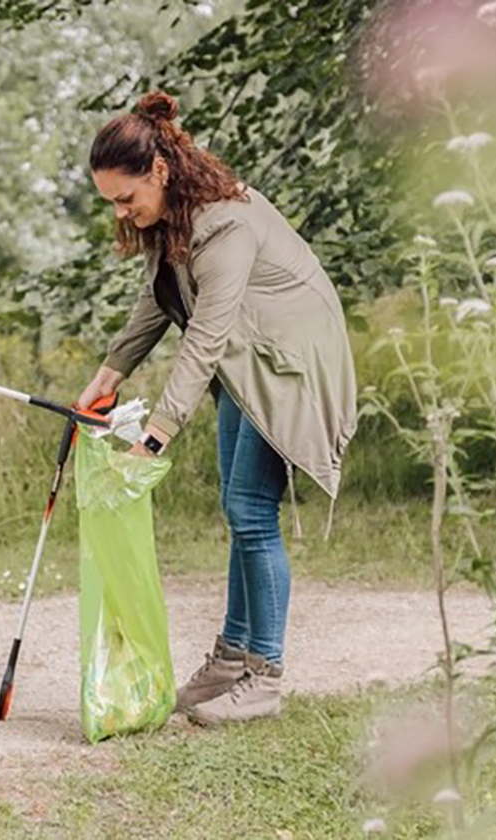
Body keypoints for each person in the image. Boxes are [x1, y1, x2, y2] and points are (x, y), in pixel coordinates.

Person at [75, 91, 357, 725]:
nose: (122, 211)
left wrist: (158, 432)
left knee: (251, 510)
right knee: (239, 506)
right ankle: (232, 659)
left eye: (127, 198)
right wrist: (108, 375)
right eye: (111, 201)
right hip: (245, 357)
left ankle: (266, 675)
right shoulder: (171, 220)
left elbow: (206, 333)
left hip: (287, 363)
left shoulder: (223, 222)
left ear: (159, 172)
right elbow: (159, 299)